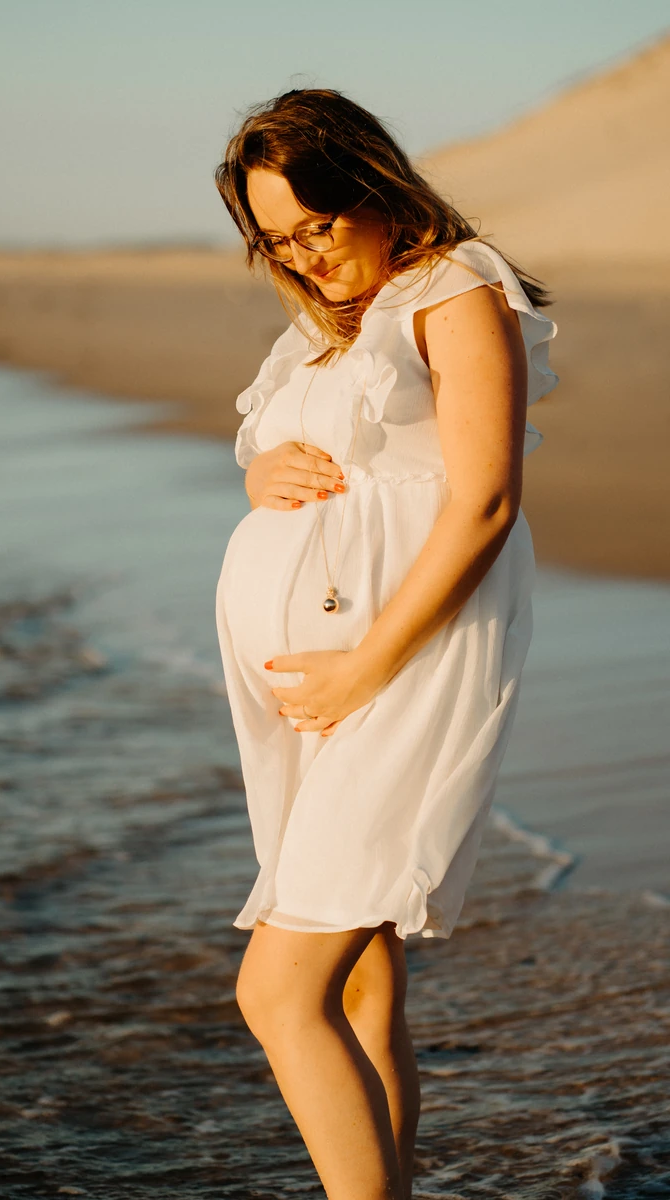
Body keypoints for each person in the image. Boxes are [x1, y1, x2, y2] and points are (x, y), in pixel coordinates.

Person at [213, 88, 558, 1200]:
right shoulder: (330, 324)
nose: (304, 257)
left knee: (276, 993)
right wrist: (260, 472)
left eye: (318, 225)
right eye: (276, 241)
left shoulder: (452, 289)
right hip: (321, 681)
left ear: (372, 186)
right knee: (359, 983)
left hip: (399, 668)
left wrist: (364, 668)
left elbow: (484, 504)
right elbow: (282, 441)